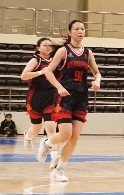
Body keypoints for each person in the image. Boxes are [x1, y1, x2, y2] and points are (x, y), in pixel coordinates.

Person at [43, 20, 102, 183]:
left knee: (74, 137)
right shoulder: (63, 51)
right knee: (65, 135)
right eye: (76, 29)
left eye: (82, 28)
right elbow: (48, 72)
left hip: (81, 98)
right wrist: (58, 87)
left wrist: (97, 80)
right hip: (65, 97)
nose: (80, 31)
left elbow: (97, 73)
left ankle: (59, 169)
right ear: (70, 32)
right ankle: (47, 142)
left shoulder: (88, 53)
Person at [20, 38, 58, 162]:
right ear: (38, 48)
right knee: (36, 129)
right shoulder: (35, 60)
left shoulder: (56, 60)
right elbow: (23, 76)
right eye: (45, 45)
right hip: (36, 95)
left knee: (51, 128)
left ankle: (54, 156)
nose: (48, 47)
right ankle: (28, 136)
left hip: (51, 95)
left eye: (50, 45)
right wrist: (41, 72)